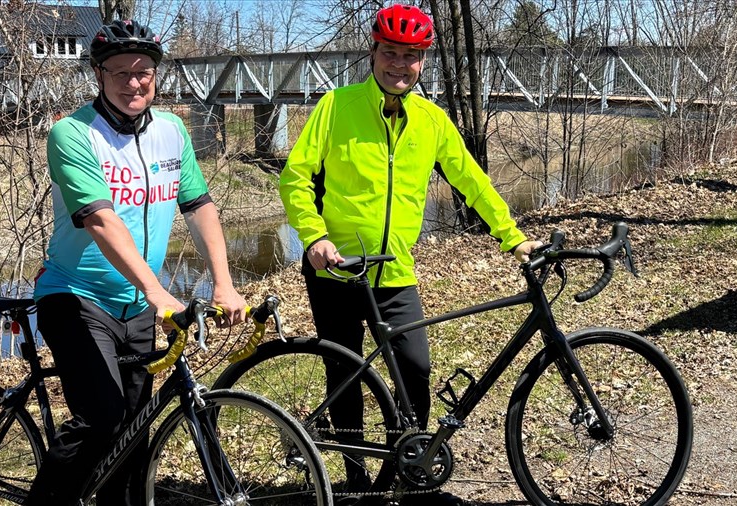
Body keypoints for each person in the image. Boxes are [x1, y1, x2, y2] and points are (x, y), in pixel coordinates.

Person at [279, 4, 541, 502]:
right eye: (391, 53)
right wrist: (313, 236)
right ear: (373, 52)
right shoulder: (336, 107)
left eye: (412, 56)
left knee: (415, 368)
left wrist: (513, 235)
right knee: (346, 371)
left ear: (424, 61)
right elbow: (295, 176)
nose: (400, 65)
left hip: (395, 270)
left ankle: (411, 467)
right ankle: (356, 478)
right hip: (335, 268)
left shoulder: (432, 120)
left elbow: (472, 182)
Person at [28, 19, 246, 506]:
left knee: (134, 432)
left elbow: (199, 206)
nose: (133, 81)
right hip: (75, 294)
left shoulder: (171, 130)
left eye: (143, 70)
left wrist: (224, 283)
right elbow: (100, 220)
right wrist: (158, 291)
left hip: (139, 306)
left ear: (156, 74)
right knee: (102, 418)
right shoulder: (73, 133)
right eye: (119, 71)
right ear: (98, 75)